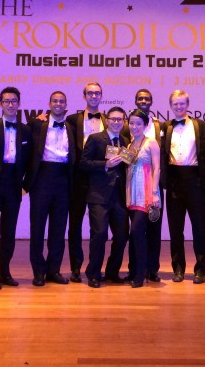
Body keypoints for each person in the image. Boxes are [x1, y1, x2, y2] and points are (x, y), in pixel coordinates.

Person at [0, 87, 31, 289]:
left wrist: (25, 186)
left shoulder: (26, 130)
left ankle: (5, 272)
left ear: (19, 103)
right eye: (7, 101)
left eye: (14, 101)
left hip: (13, 186)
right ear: (0, 104)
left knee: (9, 232)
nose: (10, 104)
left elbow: (31, 160)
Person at [24, 91, 75, 286]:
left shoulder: (71, 127)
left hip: (63, 180)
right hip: (42, 179)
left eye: (62, 101)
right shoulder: (37, 124)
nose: (58, 104)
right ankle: (38, 272)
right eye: (55, 101)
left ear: (66, 104)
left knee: (59, 228)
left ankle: (54, 270)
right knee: (37, 227)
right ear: (49, 103)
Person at [161, 90, 205, 284]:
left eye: (182, 103)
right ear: (171, 106)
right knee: (175, 229)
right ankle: (178, 269)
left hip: (195, 181)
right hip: (174, 181)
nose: (179, 107)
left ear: (188, 105)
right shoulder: (166, 127)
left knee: (200, 228)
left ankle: (200, 270)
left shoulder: (201, 126)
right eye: (175, 104)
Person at [80, 106, 129, 288]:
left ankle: (112, 272)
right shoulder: (95, 138)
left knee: (122, 236)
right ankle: (93, 273)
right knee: (99, 234)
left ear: (123, 121)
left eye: (119, 119)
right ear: (107, 120)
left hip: (119, 197)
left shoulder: (125, 141)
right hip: (99, 196)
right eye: (113, 119)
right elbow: (83, 163)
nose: (116, 122)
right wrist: (105, 164)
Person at [65, 82, 108, 282]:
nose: (93, 96)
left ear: (101, 96)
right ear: (84, 96)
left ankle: (94, 268)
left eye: (97, 93)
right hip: (78, 178)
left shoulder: (108, 120)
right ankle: (75, 267)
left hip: (100, 179)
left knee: (98, 227)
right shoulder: (72, 120)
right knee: (75, 224)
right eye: (90, 93)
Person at [125, 109, 161, 288]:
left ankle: (140, 274)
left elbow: (157, 168)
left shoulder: (151, 142)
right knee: (134, 235)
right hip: (133, 192)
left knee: (137, 232)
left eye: (138, 123)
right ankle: (134, 271)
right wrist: (127, 196)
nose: (134, 126)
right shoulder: (129, 144)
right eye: (131, 123)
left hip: (146, 192)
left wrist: (154, 192)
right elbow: (128, 171)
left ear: (145, 125)